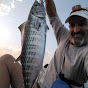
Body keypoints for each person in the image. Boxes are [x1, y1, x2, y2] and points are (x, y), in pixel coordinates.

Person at [32, 0, 88, 88]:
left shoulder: (86, 52)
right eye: (72, 25)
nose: (76, 30)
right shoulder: (64, 35)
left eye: (82, 24)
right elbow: (52, 15)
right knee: (7, 60)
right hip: (37, 81)